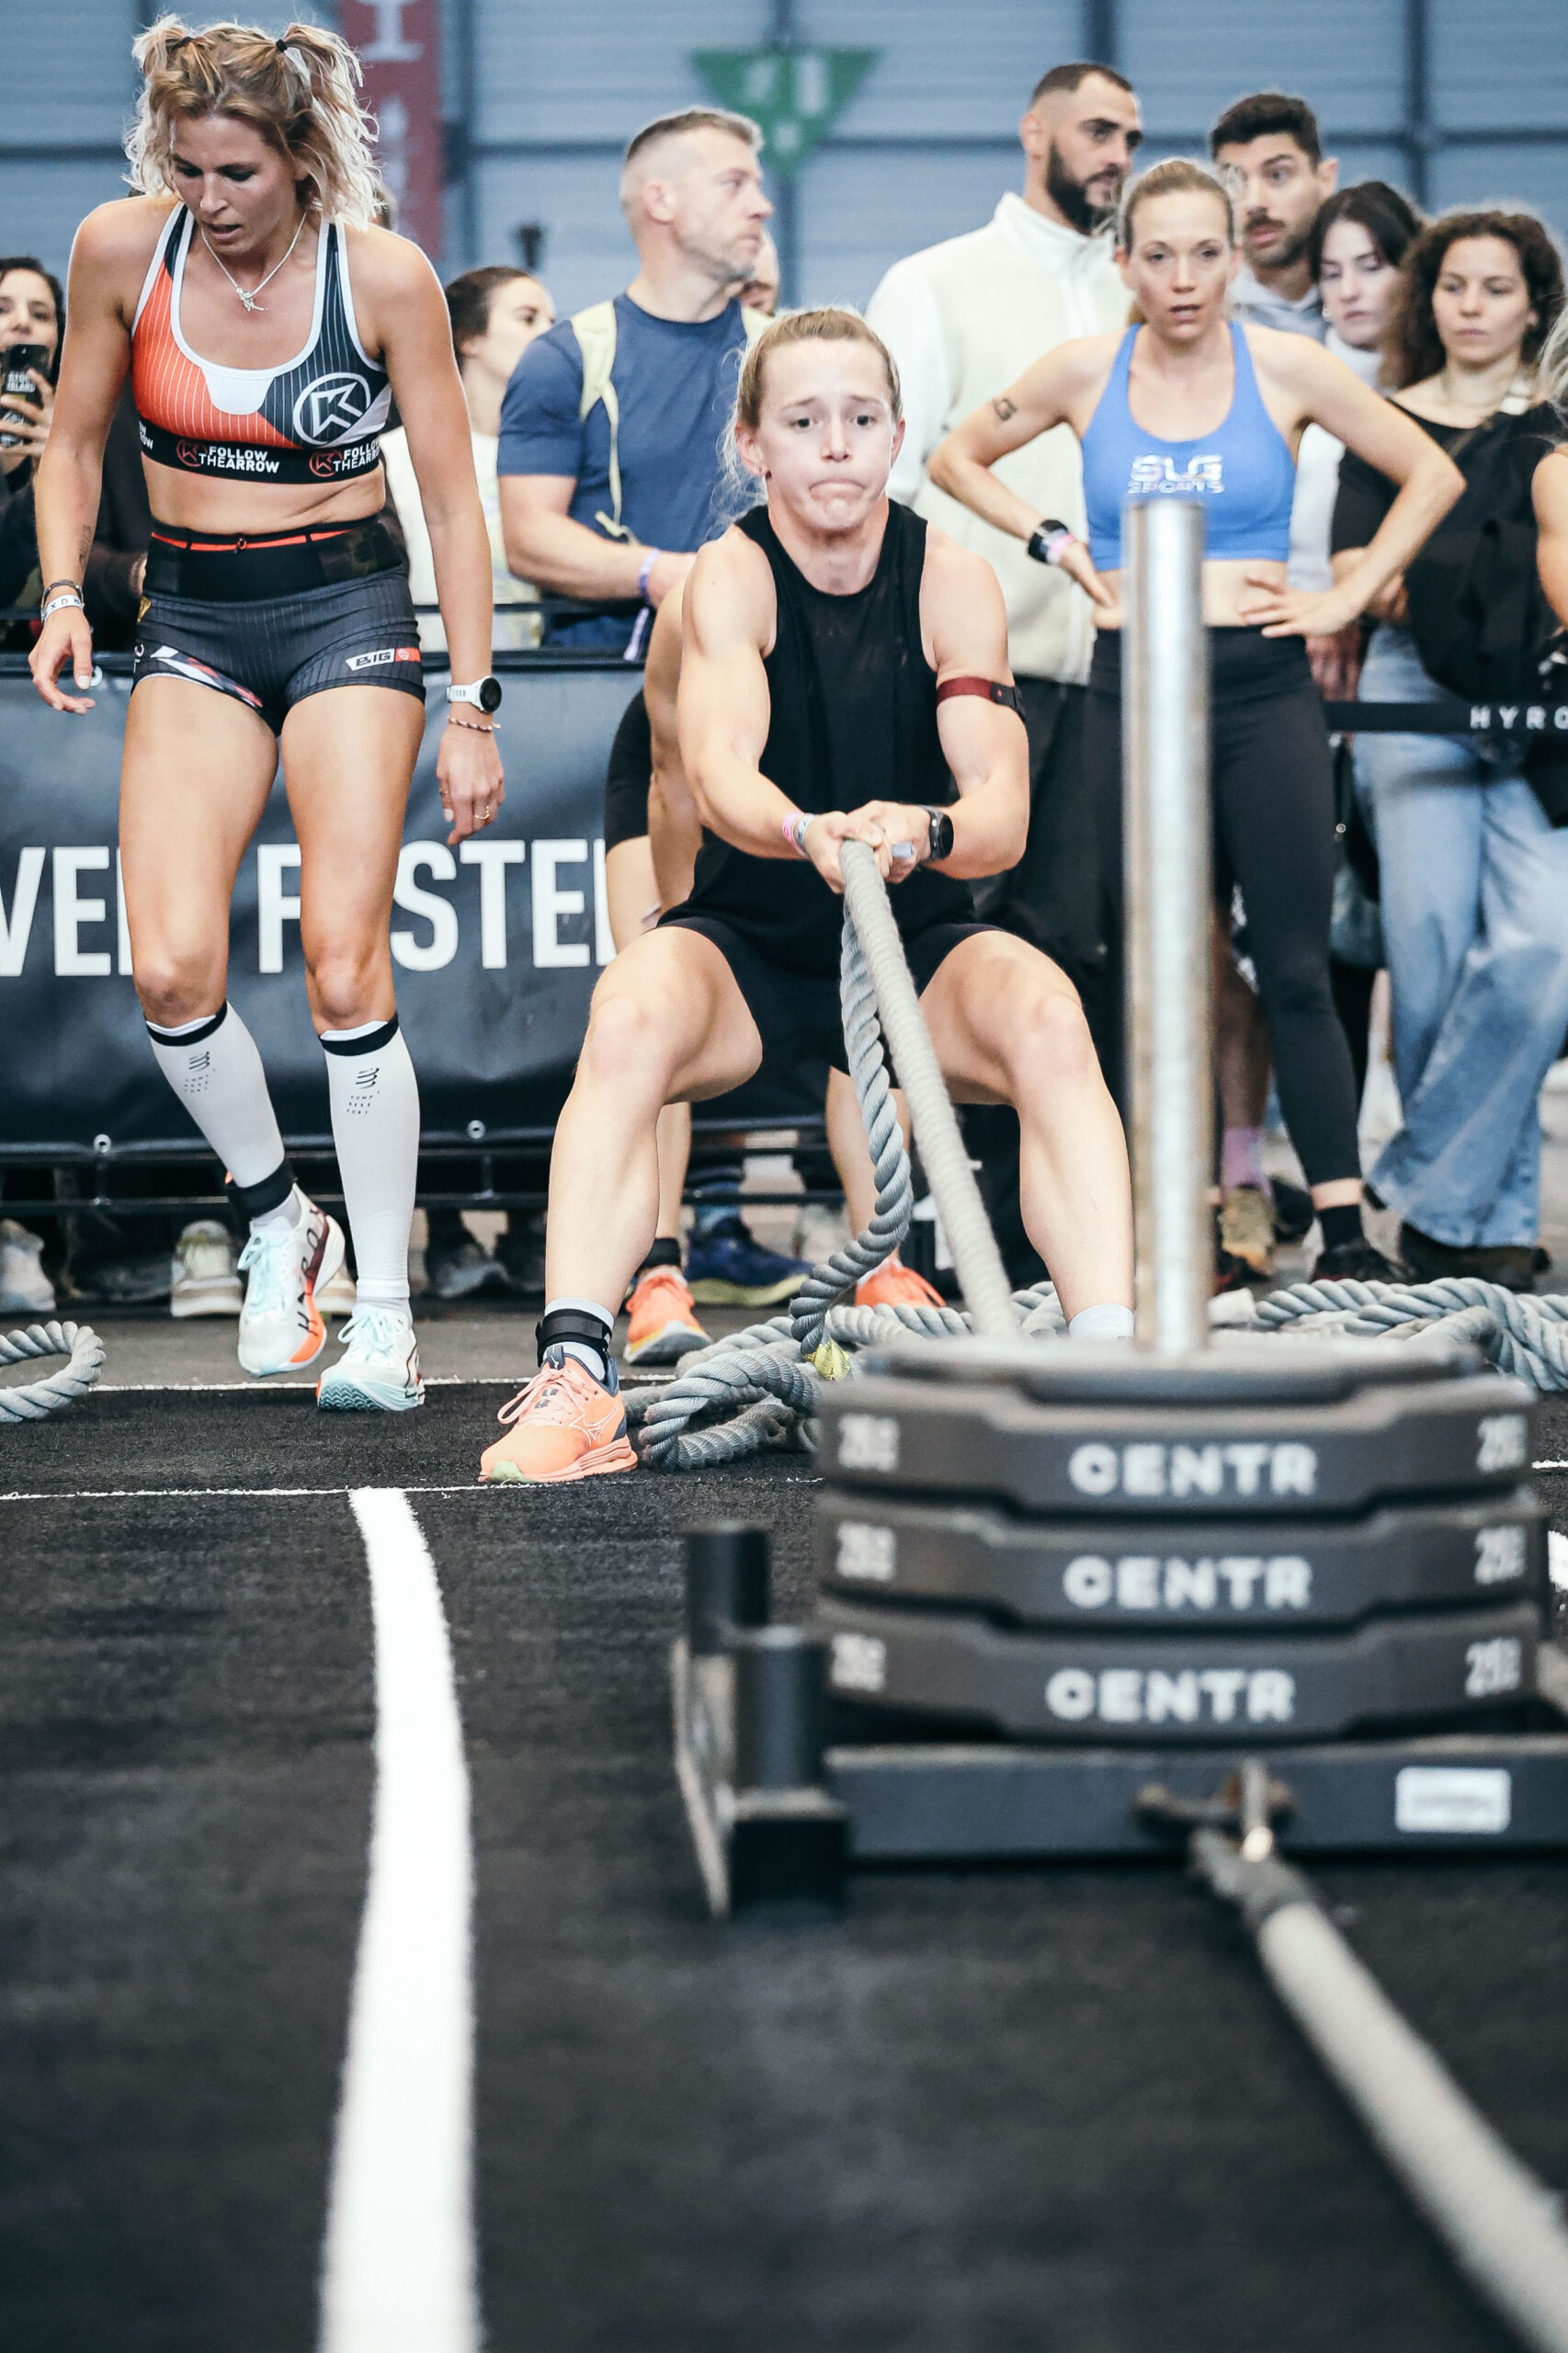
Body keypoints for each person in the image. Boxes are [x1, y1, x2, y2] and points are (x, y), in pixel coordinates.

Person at [475, 308, 1135, 1484]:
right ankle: (577, 1376)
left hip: (906, 927)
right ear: (754, 446)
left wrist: (919, 828)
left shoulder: (954, 578)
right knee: (626, 1012)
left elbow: (998, 819)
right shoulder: (726, 580)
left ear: (894, 437)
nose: (833, 446)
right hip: (754, 926)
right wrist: (802, 829)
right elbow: (723, 773)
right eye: (801, 421)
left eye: (859, 420)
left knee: (1043, 1011)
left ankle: (1106, 1364)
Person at [28, 15, 504, 1411]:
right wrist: (65, 592)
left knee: (343, 964)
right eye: (185, 169)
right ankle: (277, 1217)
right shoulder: (124, 250)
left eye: (234, 172)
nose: (208, 199)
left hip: (350, 610)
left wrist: (471, 703)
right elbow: (68, 440)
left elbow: (456, 513)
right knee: (171, 972)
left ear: (301, 159)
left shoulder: (386, 275)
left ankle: (386, 1320)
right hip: (195, 618)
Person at [930, 157, 1464, 1287]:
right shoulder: (1086, 368)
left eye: (1205, 253)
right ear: (1121, 261)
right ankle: (1157, 1224)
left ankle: (1343, 1231)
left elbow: (1428, 475)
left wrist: (1340, 598)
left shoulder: (1287, 365)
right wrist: (1058, 546)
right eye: (1157, 254)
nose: (1182, 279)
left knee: (1294, 965)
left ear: (1235, 257)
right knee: (1150, 968)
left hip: (1260, 692)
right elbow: (951, 453)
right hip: (1137, 690)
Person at [866, 62, 1143, 1277]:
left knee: (1078, 954)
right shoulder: (930, 284)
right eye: (1096, 128)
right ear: (1033, 131)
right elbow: (887, 473)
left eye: (1131, 134)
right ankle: (938, 1235)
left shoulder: (1147, 293)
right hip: (977, 671)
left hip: (1115, 676)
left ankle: (1058, 1258)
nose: (1115, 152)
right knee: (954, 944)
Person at [1335, 209, 1568, 1290]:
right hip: (1405, 690)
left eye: (1496, 287)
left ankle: (1423, 1178)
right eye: (1453, 285)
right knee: (1425, 953)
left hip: (1538, 703)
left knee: (1542, 944)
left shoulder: (1557, 425)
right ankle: (1481, 1231)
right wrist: (1481, 584)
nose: (1471, 307)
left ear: (1533, 303)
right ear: (1426, 297)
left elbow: (1395, 576)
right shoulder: (1381, 418)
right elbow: (1357, 580)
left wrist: (1434, 577)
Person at [381, 261, 555, 1303]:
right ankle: (444, 1217)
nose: (550, 331)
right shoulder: (403, 456)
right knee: (432, 969)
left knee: (533, 970)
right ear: (471, 339)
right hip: (431, 716)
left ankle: (536, 1216)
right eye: (528, 317)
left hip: (541, 716)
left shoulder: (555, 454)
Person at [497, 105, 772, 656]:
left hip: (769, 674)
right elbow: (528, 539)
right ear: (661, 200)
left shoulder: (783, 355)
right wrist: (659, 573)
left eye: (757, 187)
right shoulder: (567, 359)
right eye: (733, 184)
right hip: (611, 681)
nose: (761, 207)